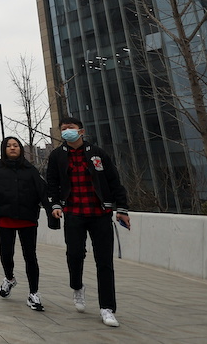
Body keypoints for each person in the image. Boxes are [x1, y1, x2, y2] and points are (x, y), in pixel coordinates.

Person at [46, 116, 130, 328]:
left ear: (81, 131)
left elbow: (114, 181)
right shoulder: (57, 156)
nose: (67, 131)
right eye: (63, 129)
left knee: (104, 262)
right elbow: (52, 183)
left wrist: (122, 209)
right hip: (73, 213)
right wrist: (55, 205)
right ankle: (77, 287)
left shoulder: (97, 153)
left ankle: (107, 308)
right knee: (74, 254)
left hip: (100, 213)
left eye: (71, 128)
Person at [0, 136, 57, 312]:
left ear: (20, 149)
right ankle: (9, 278)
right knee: (6, 254)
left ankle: (33, 293)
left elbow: (43, 192)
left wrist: (52, 212)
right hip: (5, 219)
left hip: (27, 219)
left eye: (16, 145)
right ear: (4, 149)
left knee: (30, 256)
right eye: (9, 146)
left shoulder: (30, 170)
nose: (13, 148)